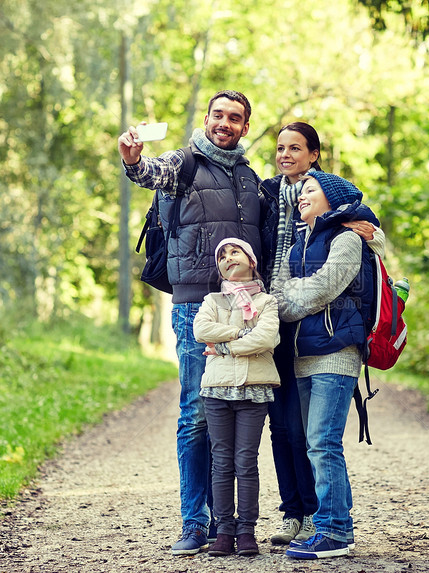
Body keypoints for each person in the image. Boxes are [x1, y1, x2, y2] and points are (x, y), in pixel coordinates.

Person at [117, 90, 275, 556]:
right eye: (219, 115)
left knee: (236, 412)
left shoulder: (250, 178)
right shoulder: (182, 164)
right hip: (196, 306)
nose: (225, 123)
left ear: (245, 127)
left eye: (235, 118)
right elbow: (150, 174)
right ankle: (195, 522)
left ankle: (229, 524)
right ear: (206, 119)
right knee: (197, 411)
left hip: (247, 308)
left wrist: (358, 220)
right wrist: (132, 161)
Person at [260, 123, 384, 546]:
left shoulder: (346, 238)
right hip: (301, 352)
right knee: (316, 443)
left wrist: (292, 296)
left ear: (329, 199)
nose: (302, 198)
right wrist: (292, 295)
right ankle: (330, 527)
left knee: (323, 444)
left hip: (334, 351)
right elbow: (283, 290)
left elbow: (316, 290)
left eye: (310, 193)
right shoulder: (298, 243)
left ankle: (333, 531)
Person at [193, 238, 281, 557]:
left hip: (254, 388)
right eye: (222, 256)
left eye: (234, 252)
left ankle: (246, 530)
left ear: (251, 260)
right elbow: (201, 330)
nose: (228, 258)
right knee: (221, 461)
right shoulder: (213, 300)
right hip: (217, 389)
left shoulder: (267, 303)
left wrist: (226, 346)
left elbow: (267, 337)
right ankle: (223, 530)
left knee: (246, 461)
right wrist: (243, 334)